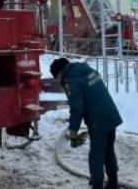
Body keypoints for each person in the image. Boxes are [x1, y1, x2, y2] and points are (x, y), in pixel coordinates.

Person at [51, 57, 123, 189]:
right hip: (110, 115)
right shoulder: (87, 70)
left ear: (60, 73)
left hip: (98, 121)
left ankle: (97, 185)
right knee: (108, 151)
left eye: (57, 79)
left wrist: (73, 131)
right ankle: (113, 183)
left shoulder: (71, 80)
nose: (59, 82)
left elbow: (77, 107)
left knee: (96, 155)